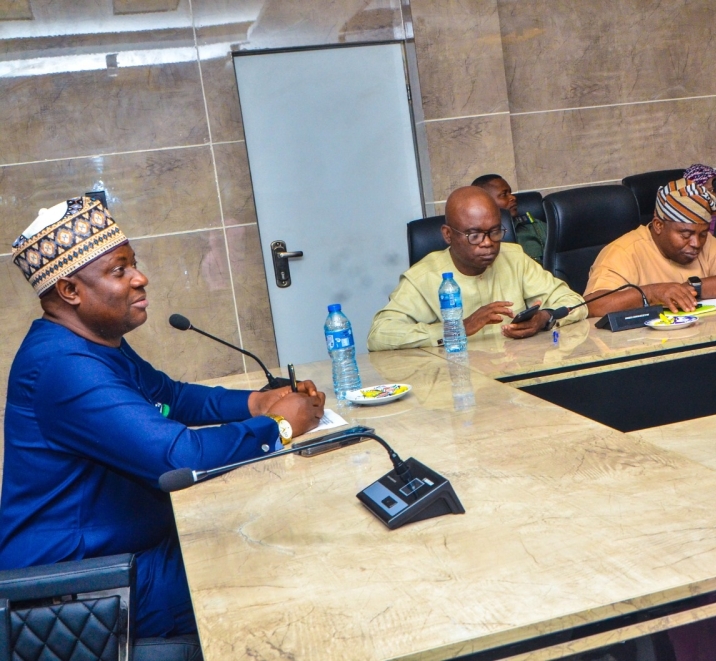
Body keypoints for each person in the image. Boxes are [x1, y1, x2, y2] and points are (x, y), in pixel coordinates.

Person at [0, 196, 326, 640]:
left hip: (128, 553)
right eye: (119, 271)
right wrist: (280, 426)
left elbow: (170, 398)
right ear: (70, 291)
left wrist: (259, 403)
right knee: (273, 562)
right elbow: (179, 456)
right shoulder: (63, 367)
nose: (140, 278)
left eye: (134, 264)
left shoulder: (93, 341)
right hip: (86, 587)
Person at [368, 186, 585, 350]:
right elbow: (379, 335)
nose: (488, 242)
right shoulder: (422, 276)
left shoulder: (515, 258)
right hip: (458, 384)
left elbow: (577, 303)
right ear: (447, 235)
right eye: (474, 235)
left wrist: (544, 318)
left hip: (518, 374)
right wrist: (458, 328)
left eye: (494, 232)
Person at [583, 180, 716, 317]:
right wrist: (652, 293)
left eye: (702, 234)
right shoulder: (624, 251)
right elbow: (593, 305)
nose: (696, 243)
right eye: (685, 235)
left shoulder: (704, 241)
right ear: (658, 225)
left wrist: (692, 289)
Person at [472, 174, 546, 263]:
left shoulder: (535, 227)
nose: (513, 197)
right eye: (504, 194)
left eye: (510, 193)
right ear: (483, 202)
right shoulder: (475, 239)